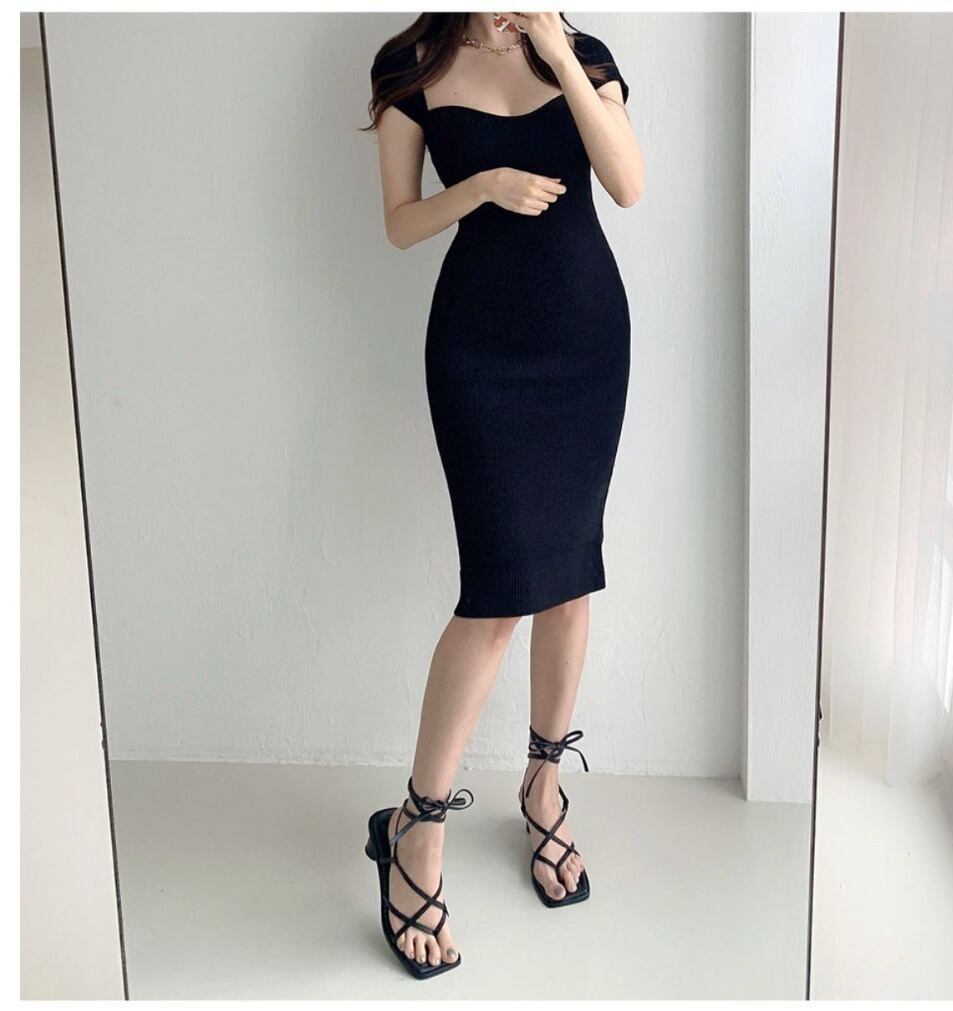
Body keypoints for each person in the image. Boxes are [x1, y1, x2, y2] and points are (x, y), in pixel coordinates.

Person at [363, 11, 643, 979]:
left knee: (569, 580)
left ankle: (542, 787)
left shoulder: (585, 54)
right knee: (494, 600)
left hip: (585, 337)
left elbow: (628, 183)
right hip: (479, 348)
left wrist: (557, 51)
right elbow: (399, 224)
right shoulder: (411, 65)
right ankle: (416, 829)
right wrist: (477, 187)